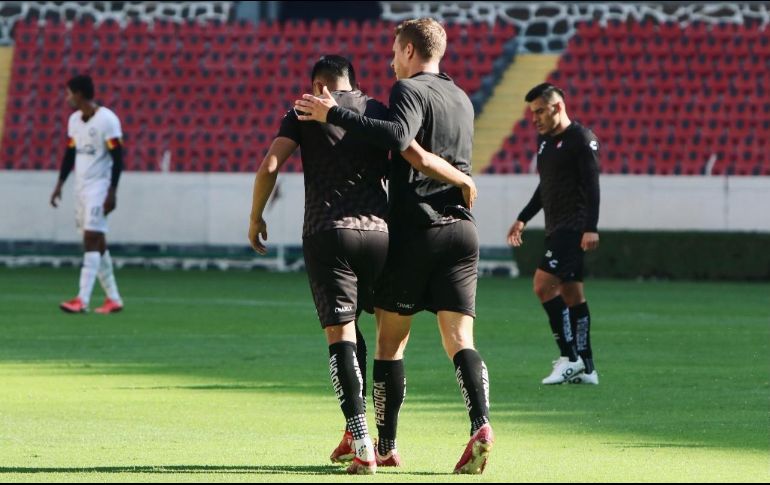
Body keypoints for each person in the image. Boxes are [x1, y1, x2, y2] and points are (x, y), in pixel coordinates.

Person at [248, 55, 475, 475]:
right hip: (380, 235)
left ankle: (362, 441)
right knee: (374, 336)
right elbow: (415, 156)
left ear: (318, 84)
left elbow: (270, 165)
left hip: (328, 231)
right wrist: (461, 179)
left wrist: (256, 215)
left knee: (340, 333)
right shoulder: (378, 112)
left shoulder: (304, 109)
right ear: (352, 80)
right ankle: (376, 439)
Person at [294, 19, 492, 475]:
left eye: (392, 51)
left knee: (389, 344)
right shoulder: (461, 97)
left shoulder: (408, 91)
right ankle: (481, 424)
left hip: (417, 229)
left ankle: (383, 445)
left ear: (406, 50)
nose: (389, 60)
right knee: (460, 339)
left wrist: (334, 115)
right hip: (463, 229)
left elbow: (401, 141)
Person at [506, 82, 601, 385]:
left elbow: (592, 185)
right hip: (555, 226)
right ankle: (587, 367)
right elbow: (545, 187)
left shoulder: (581, 139)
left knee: (542, 285)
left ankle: (569, 357)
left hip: (573, 228)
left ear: (557, 107)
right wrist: (523, 218)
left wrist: (591, 228)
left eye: (539, 112)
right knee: (573, 294)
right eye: (532, 113)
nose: (535, 119)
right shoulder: (545, 143)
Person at [50, 74, 125, 314]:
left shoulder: (107, 120)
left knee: (90, 238)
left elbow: (118, 158)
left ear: (79, 94)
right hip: (80, 189)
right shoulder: (74, 120)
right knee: (97, 241)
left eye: (69, 92)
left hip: (99, 188)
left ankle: (82, 299)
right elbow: (70, 153)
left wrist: (112, 192)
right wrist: (60, 183)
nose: (67, 97)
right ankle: (113, 298)